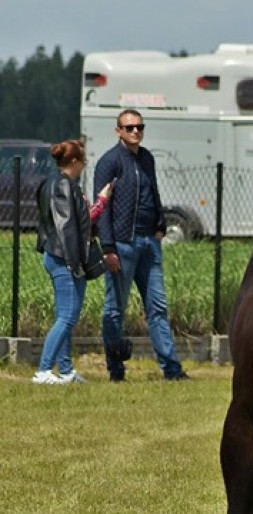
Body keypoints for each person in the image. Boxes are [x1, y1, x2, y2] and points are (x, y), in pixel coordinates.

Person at [93, 109, 188, 382]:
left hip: (150, 243)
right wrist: (108, 247)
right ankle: (116, 368)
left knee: (157, 307)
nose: (135, 131)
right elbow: (103, 209)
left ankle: (172, 369)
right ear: (118, 131)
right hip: (122, 244)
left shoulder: (146, 158)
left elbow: (153, 192)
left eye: (139, 127)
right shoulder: (108, 162)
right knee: (115, 309)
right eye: (130, 127)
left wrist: (160, 226)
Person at [32, 139, 114, 384]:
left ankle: (66, 370)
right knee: (68, 316)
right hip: (64, 258)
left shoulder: (52, 182)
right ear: (75, 161)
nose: (85, 165)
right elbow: (70, 226)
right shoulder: (64, 185)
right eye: (84, 161)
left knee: (64, 316)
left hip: (59, 255)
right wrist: (102, 201)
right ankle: (44, 370)